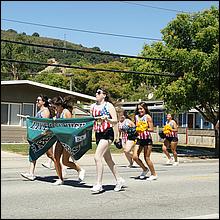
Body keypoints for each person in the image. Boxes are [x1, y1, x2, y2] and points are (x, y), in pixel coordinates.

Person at [90, 88, 125, 193]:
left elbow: (115, 121)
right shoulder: (93, 107)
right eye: (96, 92)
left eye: (99, 92)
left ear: (104, 95)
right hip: (98, 133)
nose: (96, 94)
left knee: (97, 157)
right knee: (108, 160)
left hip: (107, 133)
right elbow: (92, 120)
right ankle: (119, 180)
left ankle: (99, 184)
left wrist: (107, 119)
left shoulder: (108, 106)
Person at [51, 95, 86, 185]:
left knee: (65, 161)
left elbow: (71, 127)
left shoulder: (66, 112)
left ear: (60, 105)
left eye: (55, 107)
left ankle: (80, 169)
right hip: (60, 139)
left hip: (67, 139)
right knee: (56, 158)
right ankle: (60, 178)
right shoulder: (58, 113)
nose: (54, 109)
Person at [20, 94, 56, 181]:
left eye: (38, 100)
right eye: (37, 100)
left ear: (43, 102)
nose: (37, 102)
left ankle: (61, 168)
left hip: (44, 137)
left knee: (50, 155)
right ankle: (31, 174)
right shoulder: (40, 111)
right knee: (33, 152)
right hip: (38, 137)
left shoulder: (45, 111)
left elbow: (44, 125)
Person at [133, 102, 157, 181]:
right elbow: (135, 127)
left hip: (147, 139)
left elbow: (152, 129)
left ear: (145, 109)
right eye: (138, 109)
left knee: (146, 158)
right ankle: (144, 169)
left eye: (141, 109)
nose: (140, 110)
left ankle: (154, 174)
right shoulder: (136, 117)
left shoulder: (148, 117)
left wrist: (144, 128)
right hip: (139, 139)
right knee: (135, 157)